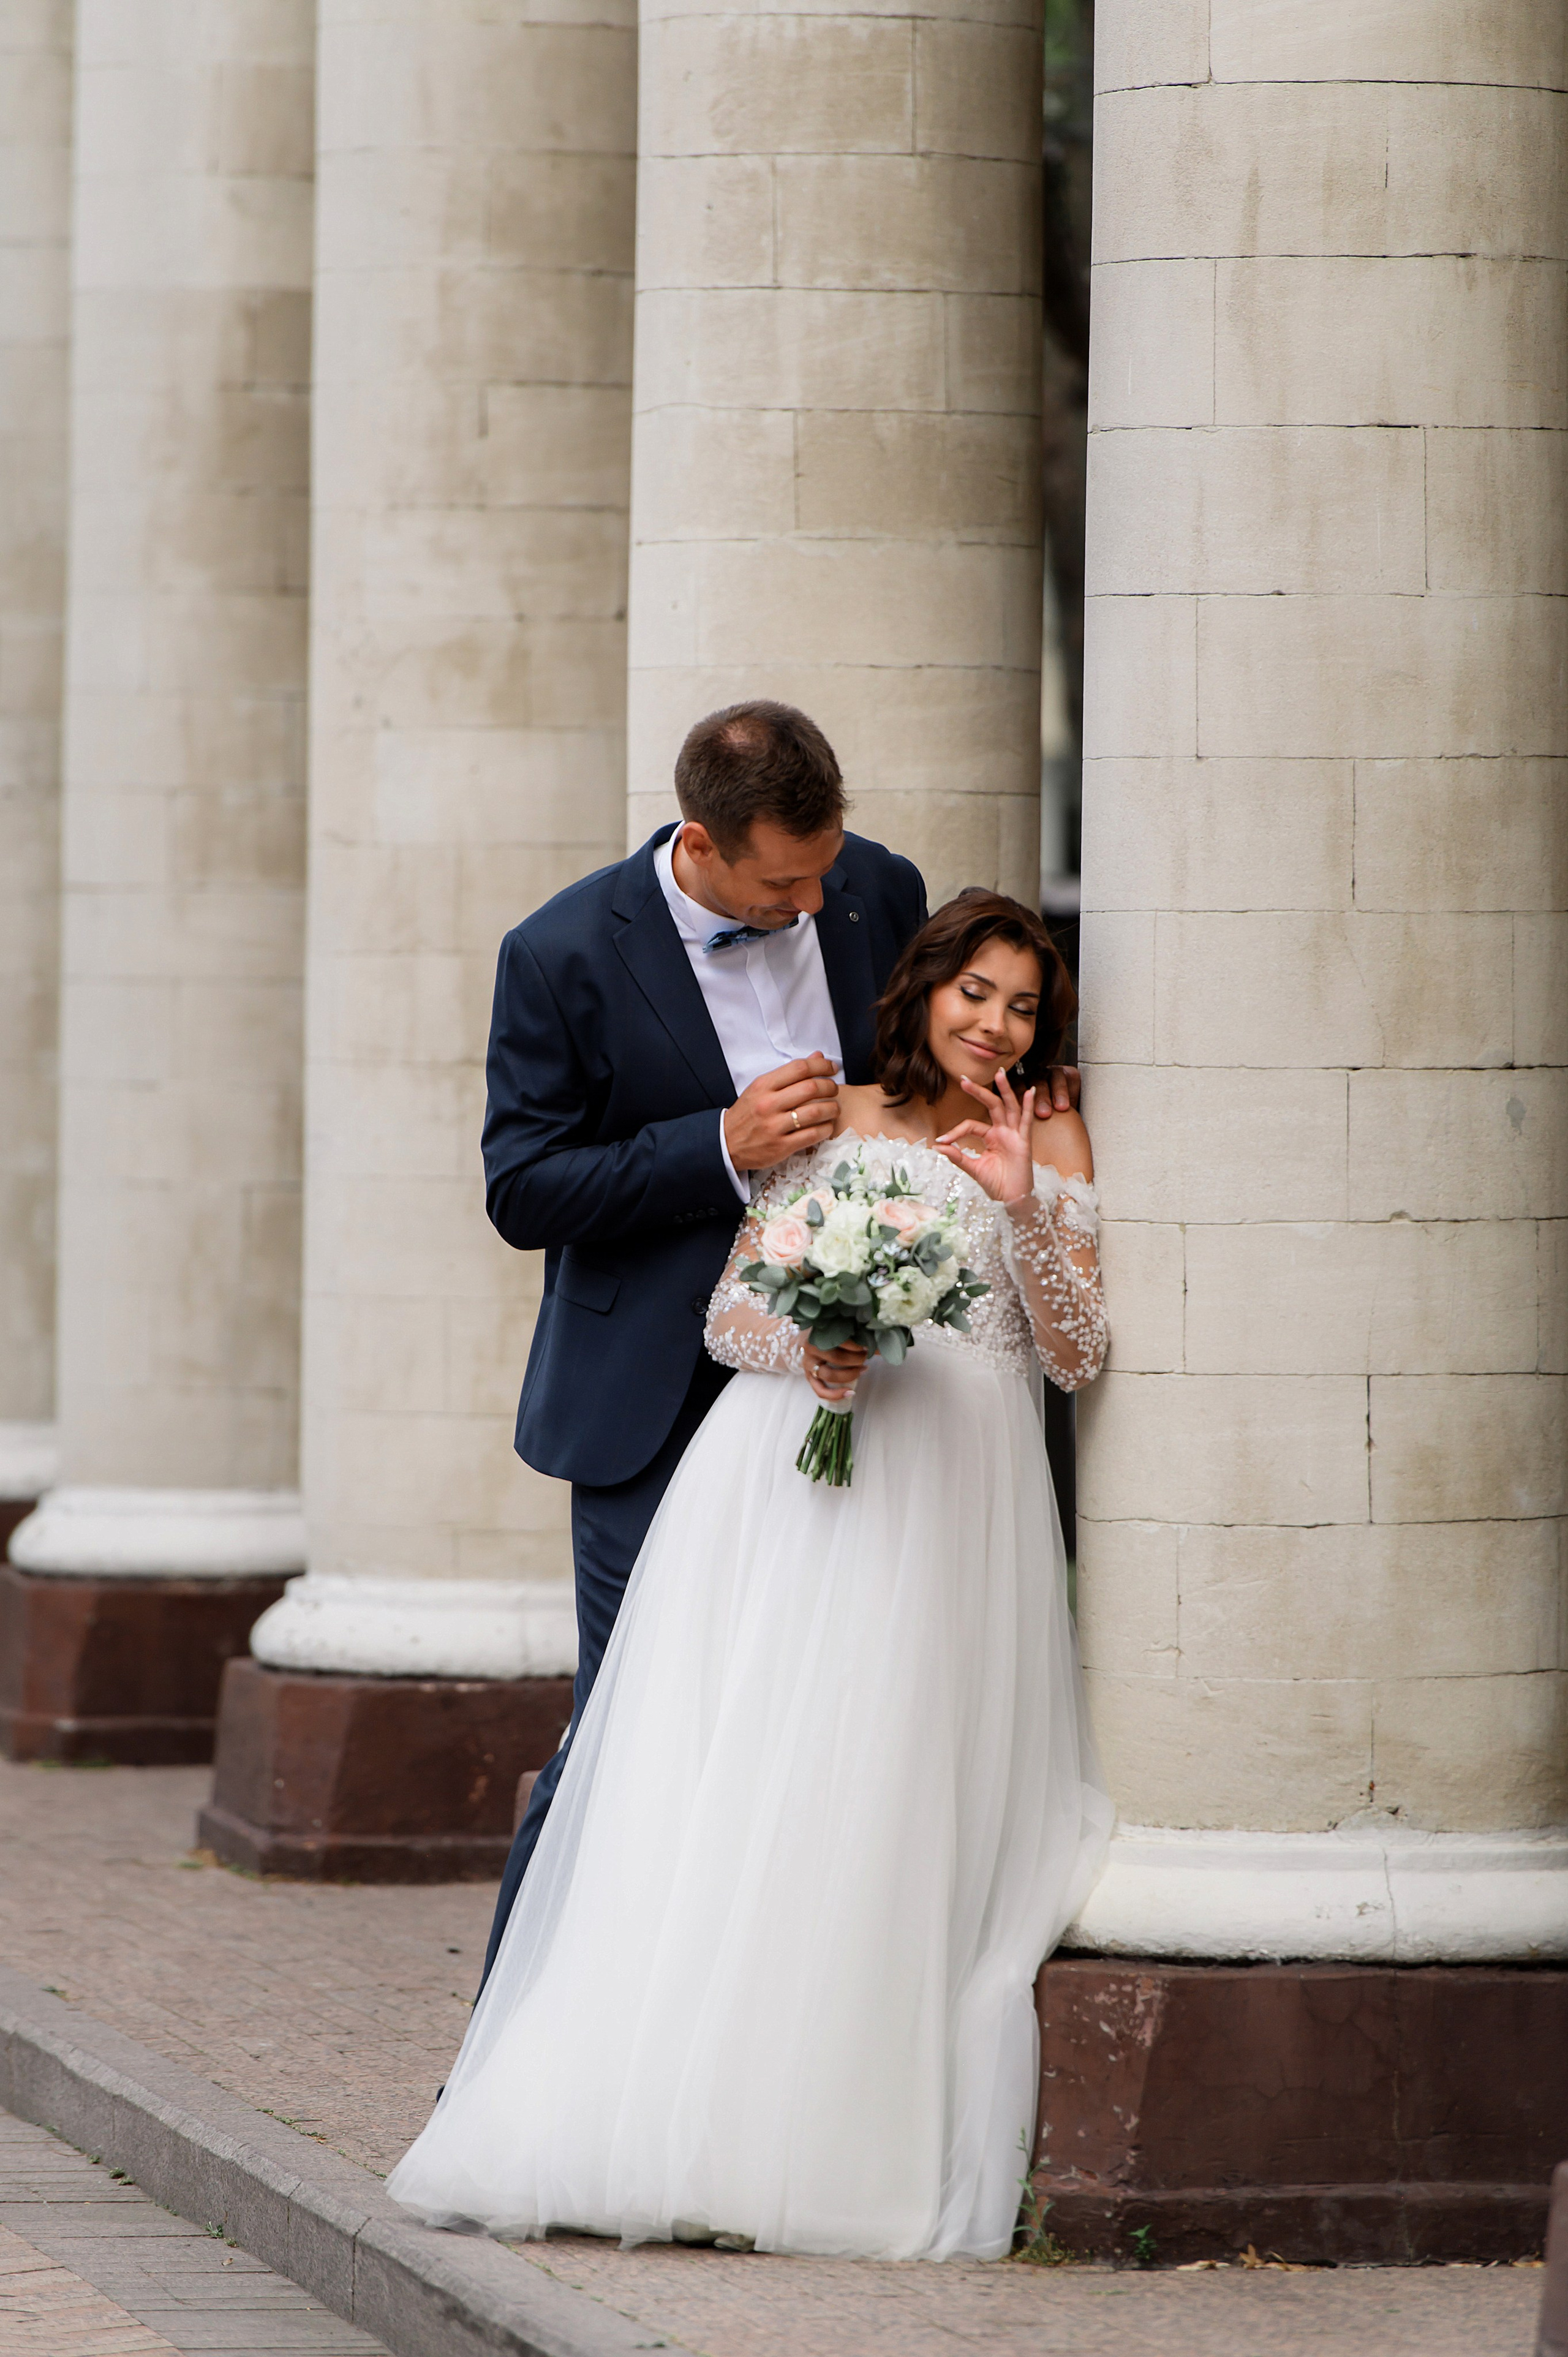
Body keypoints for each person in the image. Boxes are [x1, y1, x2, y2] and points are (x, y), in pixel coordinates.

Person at [390, 888, 1112, 2260]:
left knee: (885, 1783)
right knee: (742, 1770)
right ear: (923, 990)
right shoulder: (833, 1112)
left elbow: (1074, 1354)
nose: (995, 1023)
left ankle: (823, 2128)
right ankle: (666, 2108)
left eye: (1022, 1004)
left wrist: (1022, 1207)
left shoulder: (1046, 1130)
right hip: (785, 1483)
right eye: (976, 992)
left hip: (954, 1497)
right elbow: (731, 1312)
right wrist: (816, 1347)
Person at [475, 700, 927, 1983]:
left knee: (809, 1725)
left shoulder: (874, 889)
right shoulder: (558, 950)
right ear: (703, 844)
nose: (810, 899)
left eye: (822, 870)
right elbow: (523, 1189)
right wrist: (717, 1146)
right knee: (625, 1724)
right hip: (650, 1407)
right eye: (783, 882)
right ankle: (509, 2054)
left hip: (848, 1386)